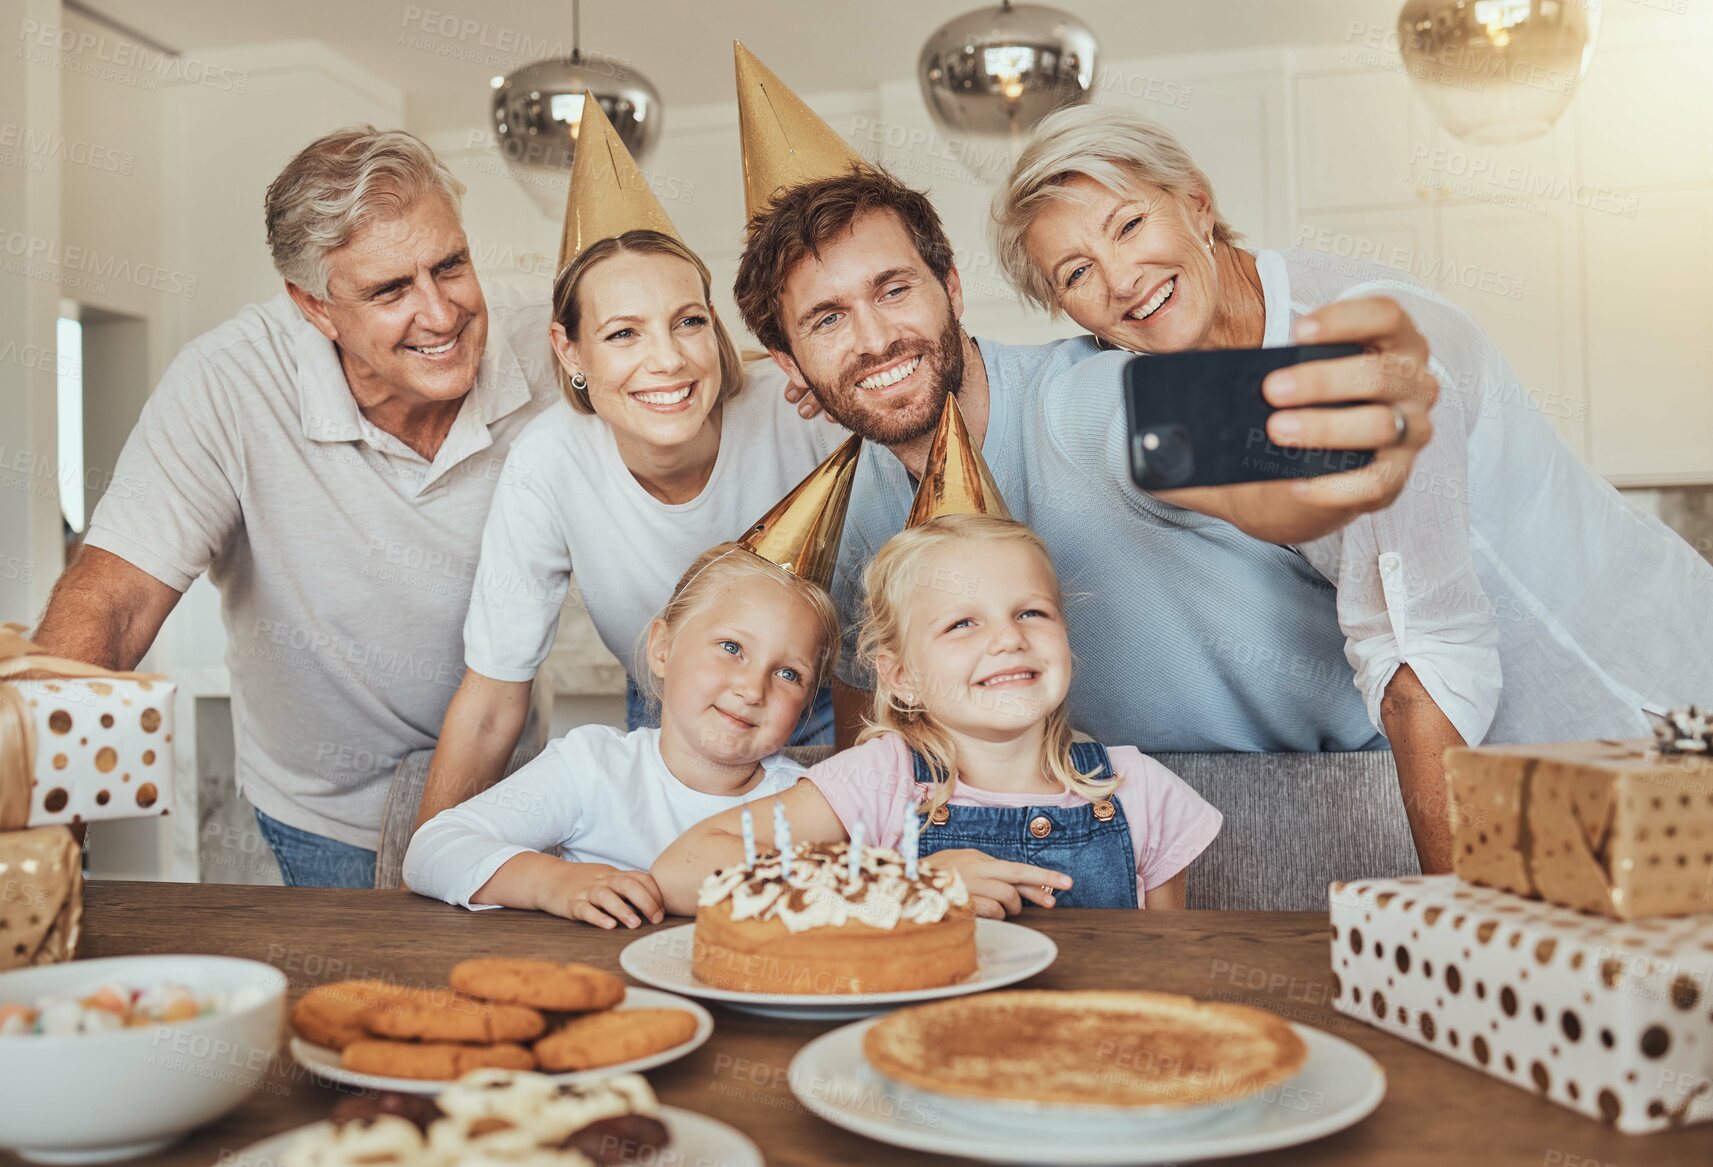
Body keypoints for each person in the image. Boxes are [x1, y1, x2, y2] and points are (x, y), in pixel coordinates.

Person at [723, 50, 1441, 867]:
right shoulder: (858, 523)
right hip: (1105, 827)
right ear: (788, 366)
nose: (876, 337)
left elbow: (1233, 449)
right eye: (826, 319)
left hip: (1344, 796)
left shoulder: (1082, 399)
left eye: (894, 289)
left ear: (951, 289)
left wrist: (1339, 419)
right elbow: (877, 761)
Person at [992, 104, 1713, 871]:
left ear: (1196, 204)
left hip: (1650, 690)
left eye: (1128, 225)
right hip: (1537, 763)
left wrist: (1451, 931)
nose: (1120, 280)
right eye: (1075, 272)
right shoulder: (1197, 395)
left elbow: (1422, 660)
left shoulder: (1350, 337)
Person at [29, 126, 560, 887]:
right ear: (314, 307)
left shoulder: (545, 344)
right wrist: (40, 835)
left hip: (506, 789)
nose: (441, 314)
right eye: (389, 291)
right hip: (324, 813)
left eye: (450, 265)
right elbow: (112, 602)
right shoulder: (227, 381)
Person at [413, 104, 845, 831]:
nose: (668, 359)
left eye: (687, 321)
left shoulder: (797, 411)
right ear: (570, 350)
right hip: (670, 709)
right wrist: (417, 879)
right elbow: (492, 699)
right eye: (622, 333)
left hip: (845, 697)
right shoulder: (547, 462)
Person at [655, 469, 1221, 917]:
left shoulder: (1140, 792)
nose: (1008, 638)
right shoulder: (878, 783)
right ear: (900, 676)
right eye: (962, 624)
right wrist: (902, 883)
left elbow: (1166, 973)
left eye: (1031, 612)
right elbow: (684, 869)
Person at [405, 538, 839, 928]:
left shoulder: (811, 804)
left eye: (788, 673)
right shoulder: (594, 766)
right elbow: (430, 852)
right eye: (732, 648)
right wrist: (553, 883)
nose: (752, 688)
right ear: (662, 649)